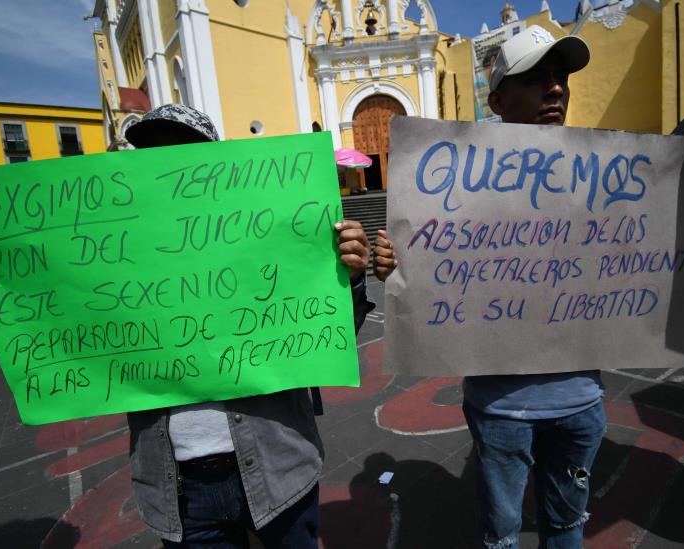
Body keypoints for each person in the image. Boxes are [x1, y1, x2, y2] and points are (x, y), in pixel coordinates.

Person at [374, 26, 606, 549]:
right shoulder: (452, 189)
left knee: (568, 525)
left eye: (561, 78)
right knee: (499, 535)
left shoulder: (607, 179)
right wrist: (395, 265)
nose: (556, 89)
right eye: (537, 78)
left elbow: (650, 256)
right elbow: (422, 277)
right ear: (498, 100)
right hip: (502, 407)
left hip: (581, 402)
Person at [123, 104, 374, 548]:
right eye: (152, 156)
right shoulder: (121, 257)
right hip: (180, 489)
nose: (169, 168)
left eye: (185, 154)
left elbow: (328, 343)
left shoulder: (267, 237)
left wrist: (347, 279)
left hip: (278, 465)